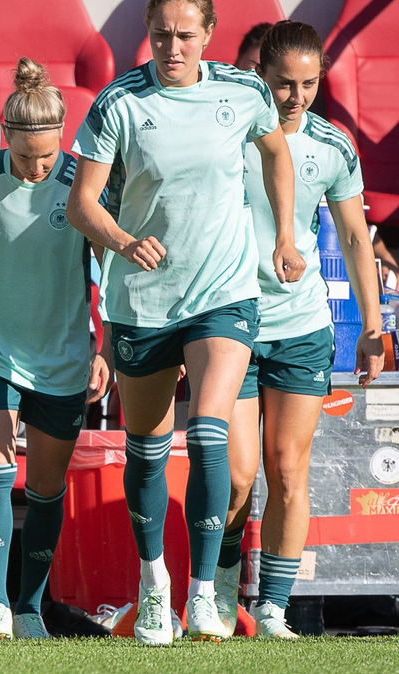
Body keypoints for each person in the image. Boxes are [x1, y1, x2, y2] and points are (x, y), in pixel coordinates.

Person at [68, 0, 303, 645]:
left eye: (184, 35)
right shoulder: (118, 103)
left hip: (223, 291)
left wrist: (284, 235)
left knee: (209, 431)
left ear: (208, 36)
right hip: (141, 299)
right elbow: (81, 203)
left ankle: (203, 593)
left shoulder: (243, 91)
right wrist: (121, 240)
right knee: (146, 449)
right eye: (161, 35)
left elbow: (277, 156)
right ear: (148, 33)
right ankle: (152, 588)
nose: (172, 47)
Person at [215, 20, 384, 639]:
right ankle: (218, 599)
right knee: (233, 479)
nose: (296, 96)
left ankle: (274, 609)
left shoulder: (333, 145)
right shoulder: (226, 134)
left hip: (301, 324)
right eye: (284, 83)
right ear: (261, 75)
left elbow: (354, 239)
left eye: (309, 84)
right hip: (225, 322)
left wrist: (371, 325)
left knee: (287, 471)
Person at [0, 57, 110, 639]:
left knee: (46, 487)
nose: (38, 166)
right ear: (5, 134)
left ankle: (29, 607)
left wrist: (106, 345)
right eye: (26, 156)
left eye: (48, 155)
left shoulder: (82, 183)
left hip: (61, 353)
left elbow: (109, 272)